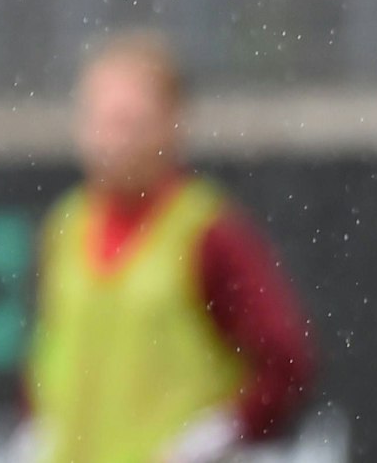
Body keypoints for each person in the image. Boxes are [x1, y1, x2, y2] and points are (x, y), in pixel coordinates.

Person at [22, 31, 315, 463]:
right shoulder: (65, 226)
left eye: (130, 122)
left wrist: (213, 437)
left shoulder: (209, 232)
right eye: (100, 120)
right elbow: (51, 359)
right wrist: (37, 429)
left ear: (171, 123)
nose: (113, 139)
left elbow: (285, 362)